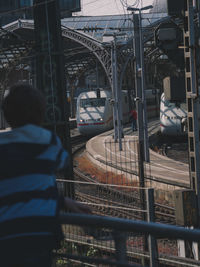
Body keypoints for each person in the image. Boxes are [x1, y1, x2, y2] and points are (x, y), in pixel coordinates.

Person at [0, 83, 91, 267]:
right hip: (40, 233)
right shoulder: (49, 141)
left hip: (6, 235)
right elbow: (62, 162)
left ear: (6, 115)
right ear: (41, 113)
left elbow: (19, 187)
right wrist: (63, 201)